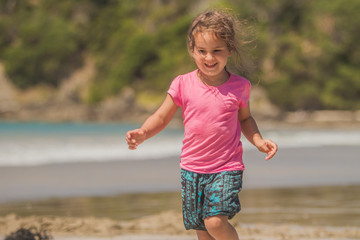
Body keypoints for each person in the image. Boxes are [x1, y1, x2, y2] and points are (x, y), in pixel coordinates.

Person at [126, 9, 278, 240]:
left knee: (215, 223)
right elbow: (161, 117)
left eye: (216, 51)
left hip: (226, 167)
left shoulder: (240, 86)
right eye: (202, 51)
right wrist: (144, 132)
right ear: (192, 50)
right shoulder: (182, 84)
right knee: (203, 231)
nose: (209, 58)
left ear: (229, 49)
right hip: (191, 169)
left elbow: (245, 118)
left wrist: (258, 140)